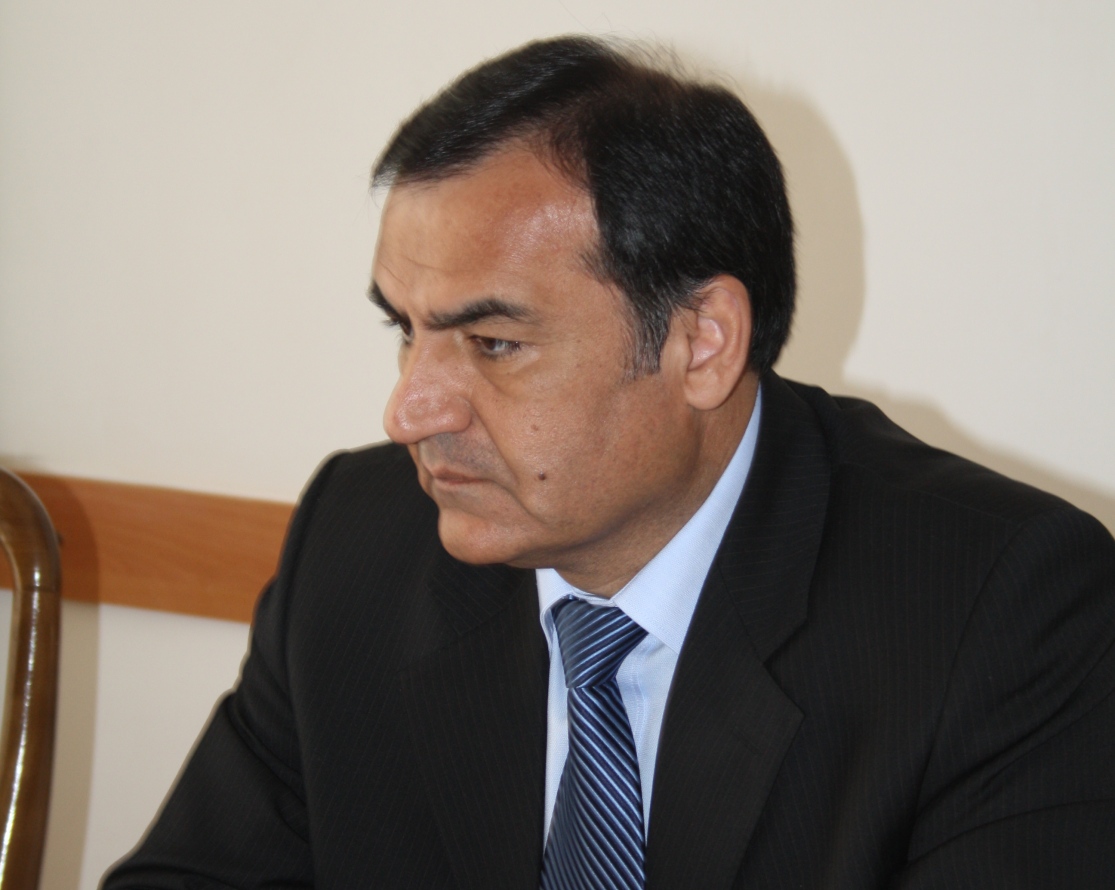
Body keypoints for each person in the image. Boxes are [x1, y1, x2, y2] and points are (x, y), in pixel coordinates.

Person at [104, 35, 1115, 889]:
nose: (408, 410)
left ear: (701, 343)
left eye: (492, 343)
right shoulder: (357, 540)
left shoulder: (999, 609)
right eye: (404, 330)